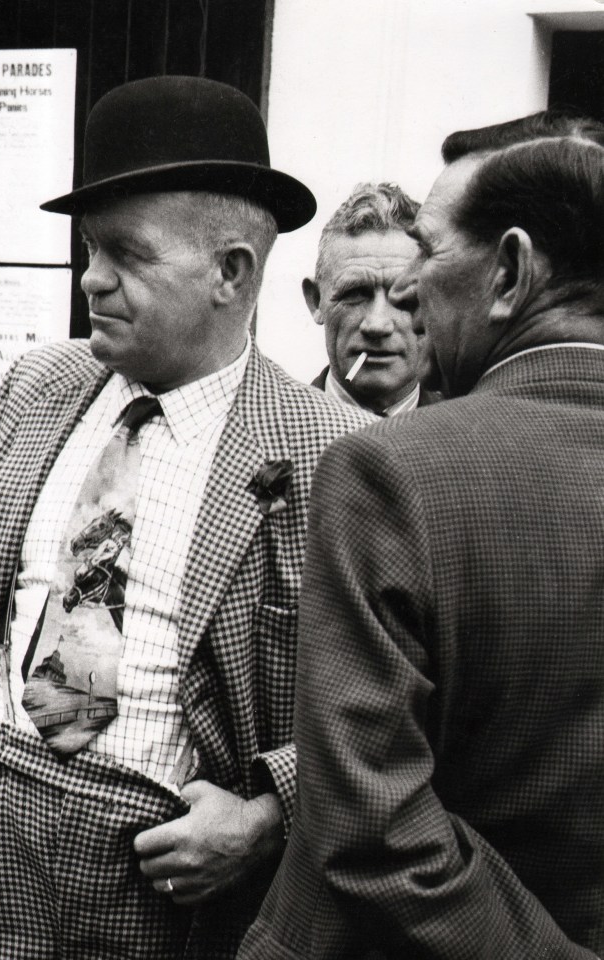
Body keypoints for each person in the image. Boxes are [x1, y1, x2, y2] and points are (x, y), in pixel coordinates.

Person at [0, 75, 373, 960]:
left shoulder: (336, 452)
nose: (90, 279)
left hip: (178, 879)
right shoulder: (40, 389)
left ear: (232, 272)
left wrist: (269, 815)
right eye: (85, 249)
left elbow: (384, 698)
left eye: (126, 254)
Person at [237, 110, 604, 959]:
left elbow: (371, 825)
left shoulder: (390, 474)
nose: (400, 301)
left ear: (509, 270)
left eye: (427, 257)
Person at [307, 183, 438, 415]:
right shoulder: (269, 432)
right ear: (317, 300)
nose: (377, 324)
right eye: (355, 294)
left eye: (404, 297)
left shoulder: (472, 441)